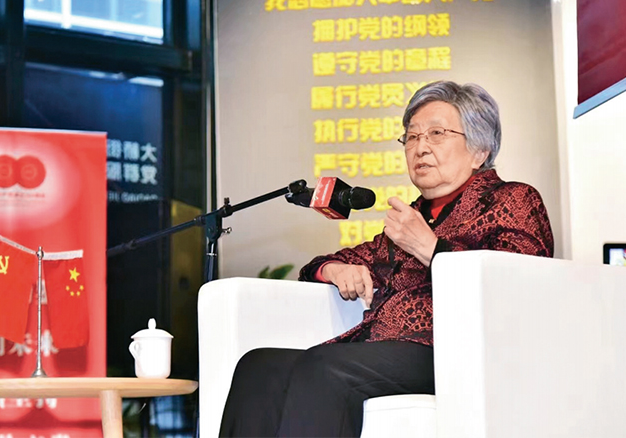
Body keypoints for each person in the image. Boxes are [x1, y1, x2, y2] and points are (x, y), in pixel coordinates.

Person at [219, 81, 554, 437]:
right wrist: (334, 269)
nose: (420, 147)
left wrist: (431, 249)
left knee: (324, 366)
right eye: (412, 137)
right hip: (385, 347)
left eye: (436, 133)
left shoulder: (512, 199)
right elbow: (325, 263)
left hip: (459, 349)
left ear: (480, 150)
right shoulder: (413, 217)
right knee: (260, 366)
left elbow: (516, 284)